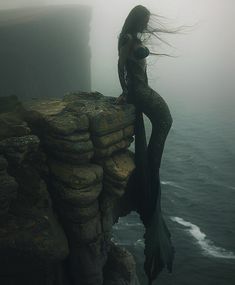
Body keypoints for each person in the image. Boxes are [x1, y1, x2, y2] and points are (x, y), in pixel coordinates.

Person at [116, 5, 175, 285]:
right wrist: (125, 95)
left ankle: (151, 168)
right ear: (138, 20)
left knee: (165, 119)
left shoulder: (134, 38)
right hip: (138, 92)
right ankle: (151, 169)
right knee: (165, 119)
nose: (148, 25)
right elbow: (121, 65)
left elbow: (134, 67)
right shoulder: (128, 39)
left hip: (143, 90)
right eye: (146, 21)